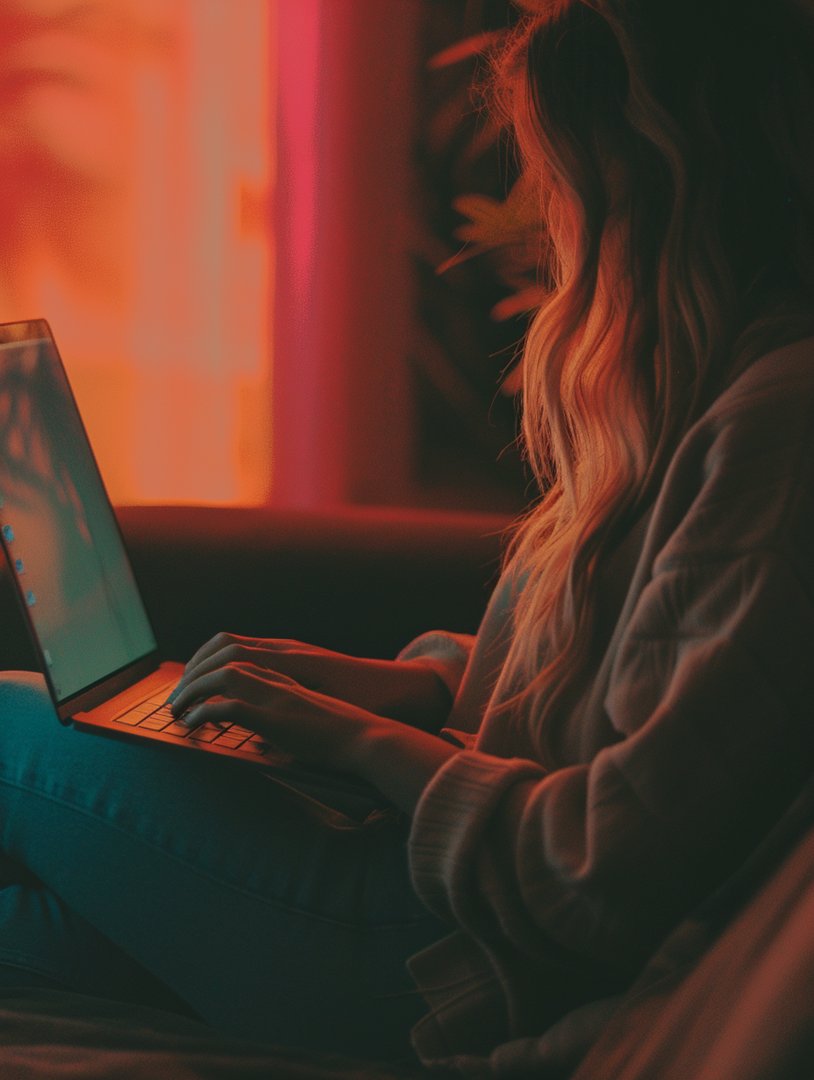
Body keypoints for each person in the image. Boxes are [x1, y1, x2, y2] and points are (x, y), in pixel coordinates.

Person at [1, 0, 814, 1074]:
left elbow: (605, 866)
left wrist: (353, 742)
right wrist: (411, 687)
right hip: (439, 893)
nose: (553, 220)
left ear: (653, 181)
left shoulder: (778, 428)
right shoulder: (714, 388)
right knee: (24, 922)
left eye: (562, 179)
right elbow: (621, 697)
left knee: (8, 722)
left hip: (450, 954)